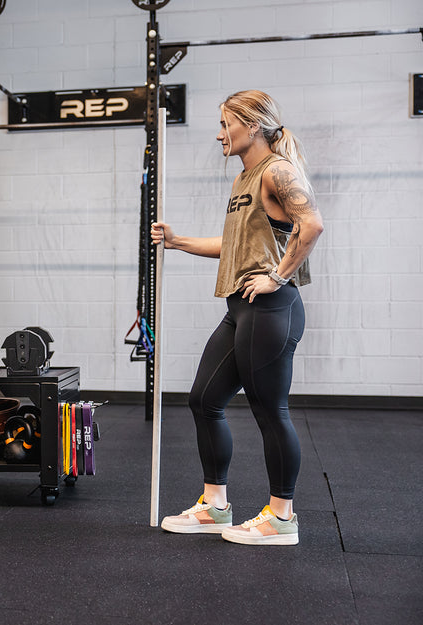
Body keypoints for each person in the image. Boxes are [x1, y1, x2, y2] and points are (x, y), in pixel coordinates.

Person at [151, 90, 324, 546]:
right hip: (240, 308)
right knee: (203, 400)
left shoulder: (278, 172)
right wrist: (177, 240)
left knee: (270, 411)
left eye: (226, 124)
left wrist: (278, 278)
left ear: (251, 125)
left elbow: (313, 225)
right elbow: (236, 248)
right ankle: (215, 507)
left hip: (270, 309)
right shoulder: (244, 179)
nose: (219, 133)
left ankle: (281, 518)